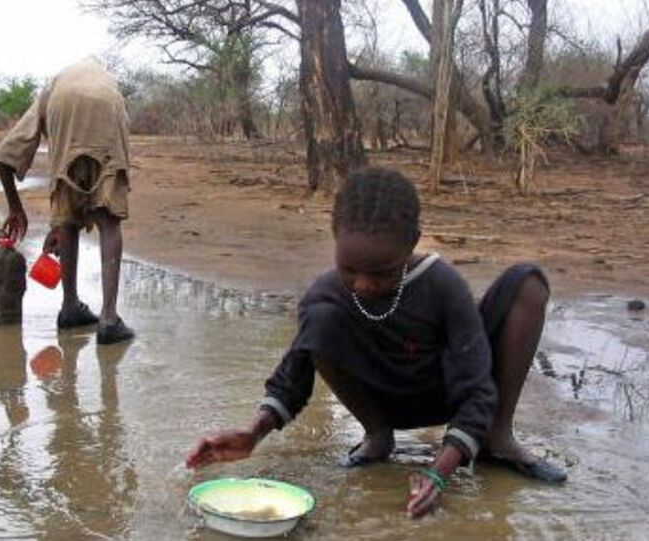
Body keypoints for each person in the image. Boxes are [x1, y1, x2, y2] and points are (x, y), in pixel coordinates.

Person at [185, 166, 566, 518]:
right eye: (350, 270)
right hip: (384, 399)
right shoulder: (326, 293)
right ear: (334, 239)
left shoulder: (443, 285)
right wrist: (253, 433)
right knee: (319, 314)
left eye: (381, 273)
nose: (364, 285)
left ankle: (496, 438)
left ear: (412, 243)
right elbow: (293, 375)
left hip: (450, 392)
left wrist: (439, 472)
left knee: (526, 282)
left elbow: (478, 389)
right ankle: (377, 436)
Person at [0, 61, 134, 345]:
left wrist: (15, 208)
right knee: (108, 220)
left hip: (61, 103)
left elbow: (5, 154)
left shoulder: (50, 91)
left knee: (66, 217)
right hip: (108, 106)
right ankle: (109, 319)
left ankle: (69, 306)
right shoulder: (109, 87)